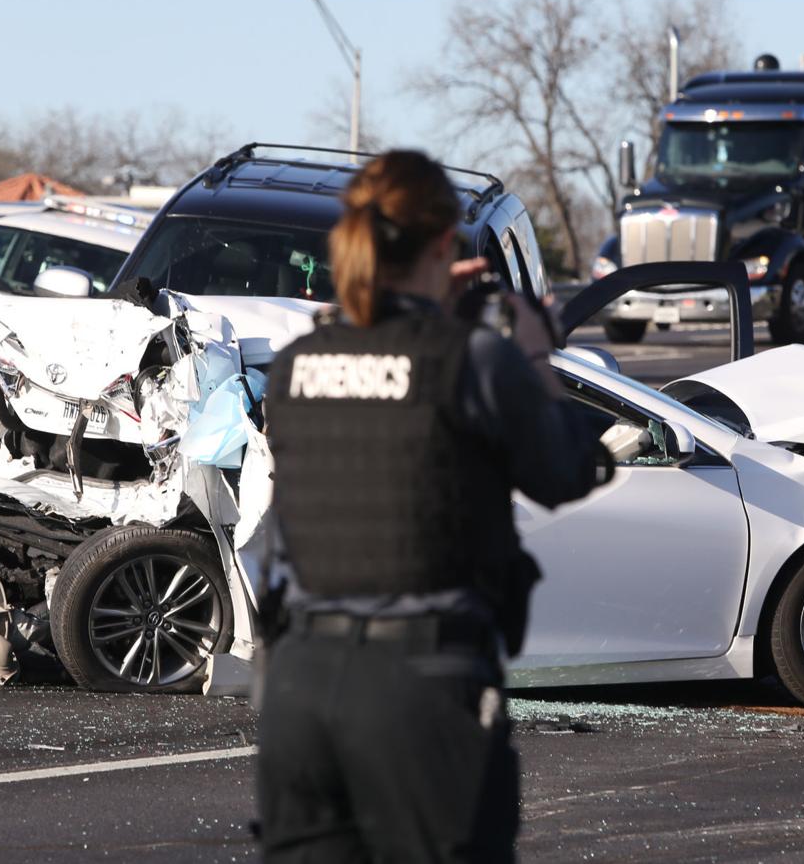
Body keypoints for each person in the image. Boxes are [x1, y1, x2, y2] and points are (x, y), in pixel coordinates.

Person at [256, 150, 611, 863]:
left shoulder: (297, 366)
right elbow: (566, 470)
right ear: (446, 243)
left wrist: (415, 312)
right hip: (421, 694)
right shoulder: (471, 360)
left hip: (300, 691)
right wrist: (538, 355)